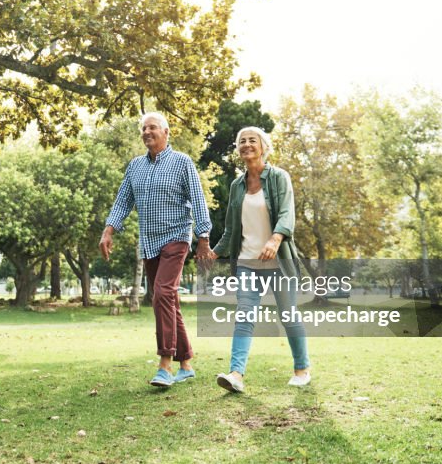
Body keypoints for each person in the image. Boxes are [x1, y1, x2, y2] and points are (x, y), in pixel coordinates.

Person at [100, 112, 213, 387]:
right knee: (167, 299)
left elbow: (198, 199)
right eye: (143, 128)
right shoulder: (135, 166)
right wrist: (108, 230)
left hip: (177, 235)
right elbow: (123, 200)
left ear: (166, 132)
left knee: (163, 292)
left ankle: (165, 364)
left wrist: (203, 237)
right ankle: (186, 362)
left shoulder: (182, 162)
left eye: (153, 127)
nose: (147, 132)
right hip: (149, 240)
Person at [207, 126, 311, 391]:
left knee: (288, 315)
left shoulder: (279, 177)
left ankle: (302, 369)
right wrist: (215, 252)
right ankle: (236, 375)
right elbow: (231, 229)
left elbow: (287, 214)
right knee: (244, 316)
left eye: (252, 140)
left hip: (278, 261)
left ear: (263, 146)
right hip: (247, 262)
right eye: (242, 141)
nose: (246, 145)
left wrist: (275, 239)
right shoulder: (236, 186)